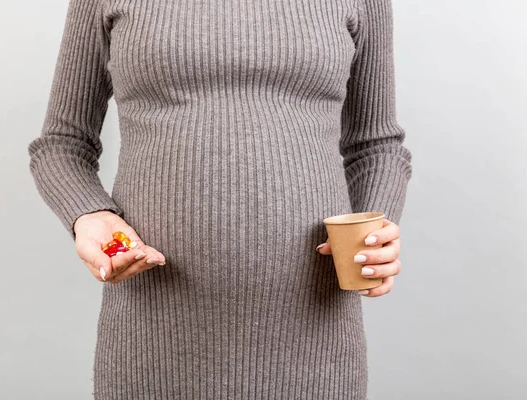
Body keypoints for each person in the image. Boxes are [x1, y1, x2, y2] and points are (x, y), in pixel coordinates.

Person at [27, 0, 412, 398]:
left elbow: (377, 145)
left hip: (315, 338)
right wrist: (89, 214)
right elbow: (62, 144)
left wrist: (374, 236)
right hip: (152, 340)